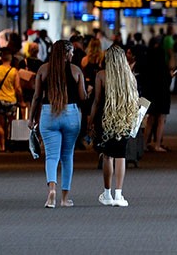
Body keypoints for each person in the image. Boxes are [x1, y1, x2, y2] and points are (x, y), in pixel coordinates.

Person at [27, 40, 87, 208]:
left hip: (48, 113)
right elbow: (82, 98)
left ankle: (51, 191)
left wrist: (31, 118)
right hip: (71, 114)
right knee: (67, 156)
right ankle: (65, 198)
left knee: (52, 156)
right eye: (72, 53)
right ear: (67, 54)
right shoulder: (76, 71)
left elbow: (37, 96)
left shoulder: (43, 70)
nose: (73, 55)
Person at [88, 45, 139, 207]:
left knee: (107, 155)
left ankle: (107, 193)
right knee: (121, 156)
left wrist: (90, 120)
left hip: (106, 119)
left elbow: (96, 100)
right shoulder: (130, 77)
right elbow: (135, 100)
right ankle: (119, 193)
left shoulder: (101, 75)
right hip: (123, 119)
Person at [0, 48, 23, 152]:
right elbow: (18, 88)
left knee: (1, 124)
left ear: (2, 58)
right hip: (11, 100)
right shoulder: (14, 71)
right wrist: (21, 100)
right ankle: (10, 144)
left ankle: (2, 146)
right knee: (11, 124)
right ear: (10, 59)